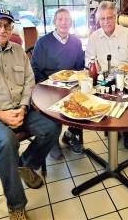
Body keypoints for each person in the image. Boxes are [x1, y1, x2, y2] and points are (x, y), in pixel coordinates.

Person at [0, 8, 61, 219]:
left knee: (53, 126)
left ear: (12, 28)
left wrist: (22, 107)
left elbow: (29, 82)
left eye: (7, 25)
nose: (3, 29)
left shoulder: (18, 51)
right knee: (6, 140)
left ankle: (25, 164)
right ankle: (17, 206)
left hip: (19, 108)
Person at [85, 1, 128, 149]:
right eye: (102, 19)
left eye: (109, 17)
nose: (106, 22)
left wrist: (127, 69)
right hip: (104, 80)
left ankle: (127, 131)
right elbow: (88, 60)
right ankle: (110, 124)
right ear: (98, 20)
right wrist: (92, 65)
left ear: (116, 17)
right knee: (92, 96)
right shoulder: (94, 37)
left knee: (124, 98)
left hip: (127, 81)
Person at [31, 8, 85, 159]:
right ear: (54, 22)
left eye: (67, 19)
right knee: (53, 106)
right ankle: (52, 140)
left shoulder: (76, 41)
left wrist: (79, 79)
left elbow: (80, 66)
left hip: (72, 85)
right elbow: (34, 67)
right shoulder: (43, 42)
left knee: (82, 102)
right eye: (60, 19)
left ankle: (70, 134)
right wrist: (44, 85)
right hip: (49, 86)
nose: (64, 22)